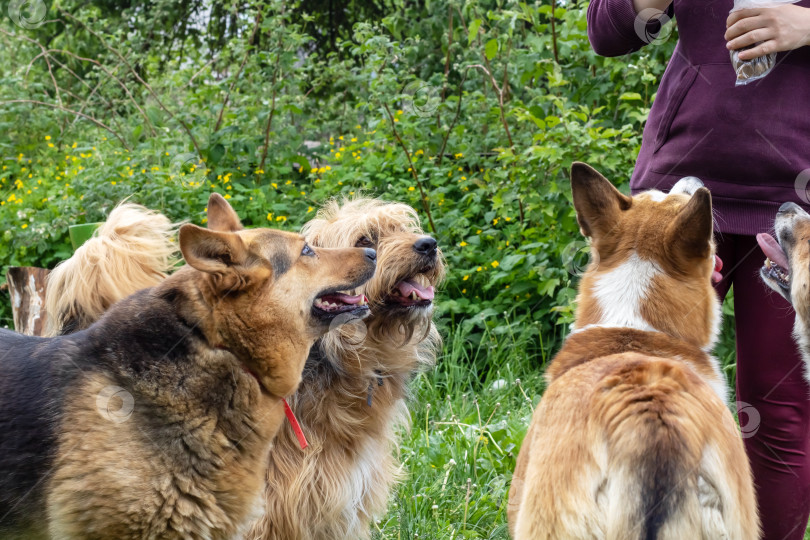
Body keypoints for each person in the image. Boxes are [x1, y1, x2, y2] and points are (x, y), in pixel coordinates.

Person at [586, 0, 810, 537]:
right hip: (678, 194)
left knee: (778, 417)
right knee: (633, 389)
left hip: (794, 200)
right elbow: (607, 31)